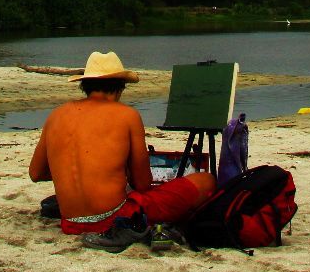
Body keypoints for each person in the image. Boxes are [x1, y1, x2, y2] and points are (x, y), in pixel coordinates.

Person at [29, 51, 216, 252]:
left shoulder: (56, 115)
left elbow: (36, 173)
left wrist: (75, 174)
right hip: (113, 219)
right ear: (119, 87)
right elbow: (142, 184)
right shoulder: (127, 115)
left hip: (70, 222)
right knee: (206, 181)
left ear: (86, 85)